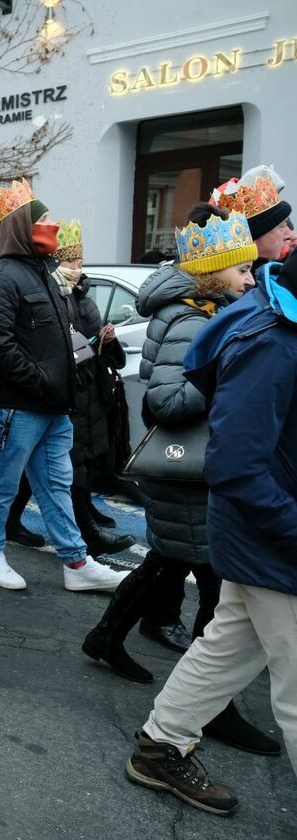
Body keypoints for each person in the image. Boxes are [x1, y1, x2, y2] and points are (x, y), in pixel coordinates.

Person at [81, 205, 277, 755]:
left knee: (167, 561)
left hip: (194, 472)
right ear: (216, 271)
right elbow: (166, 401)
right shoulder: (194, 319)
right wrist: (224, 374)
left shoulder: (208, 310)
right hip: (187, 469)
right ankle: (213, 709)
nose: (250, 278)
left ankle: (105, 637)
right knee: (214, 588)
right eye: (241, 271)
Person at [123, 247, 297, 816]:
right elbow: (234, 463)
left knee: (229, 645)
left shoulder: (270, 323)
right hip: (271, 536)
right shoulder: (269, 339)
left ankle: (160, 745)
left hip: (265, 532)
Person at [0, 180, 126, 593]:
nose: (53, 225)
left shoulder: (43, 275)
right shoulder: (2, 279)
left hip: (54, 405)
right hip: (17, 406)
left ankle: (76, 562)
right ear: (22, 227)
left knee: (57, 484)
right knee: (3, 482)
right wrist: (41, 382)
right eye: (43, 219)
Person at [6, 221, 134, 557]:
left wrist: (107, 340)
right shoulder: (46, 296)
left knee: (82, 459)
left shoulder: (83, 295)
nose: (77, 268)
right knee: (62, 462)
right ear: (53, 265)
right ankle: (78, 531)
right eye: (70, 262)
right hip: (65, 390)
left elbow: (97, 346)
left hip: (90, 389)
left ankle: (80, 513)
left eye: (79, 261)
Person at [211, 164, 291, 271]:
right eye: (281, 226)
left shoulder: (271, 273)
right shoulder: (240, 284)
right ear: (255, 236)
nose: (289, 234)